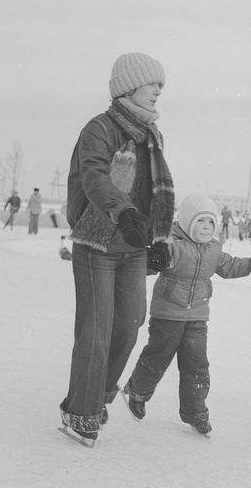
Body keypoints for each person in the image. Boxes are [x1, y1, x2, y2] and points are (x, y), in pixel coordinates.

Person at [59, 51, 175, 445]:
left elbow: (159, 191)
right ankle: (81, 412)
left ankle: (98, 395)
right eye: (152, 83)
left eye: (161, 84)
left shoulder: (152, 135)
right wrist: (122, 210)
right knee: (97, 329)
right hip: (97, 242)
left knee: (128, 325)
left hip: (133, 247)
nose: (159, 90)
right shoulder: (100, 129)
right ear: (129, 86)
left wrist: (160, 239)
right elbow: (93, 176)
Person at [122, 193, 251, 435]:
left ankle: (196, 412)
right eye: (200, 222)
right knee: (158, 357)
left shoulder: (213, 250)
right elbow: (145, 266)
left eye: (210, 222)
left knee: (196, 365)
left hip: (197, 316)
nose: (206, 228)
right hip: (167, 314)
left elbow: (230, 266)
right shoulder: (171, 246)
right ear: (186, 222)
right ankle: (137, 391)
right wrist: (153, 258)